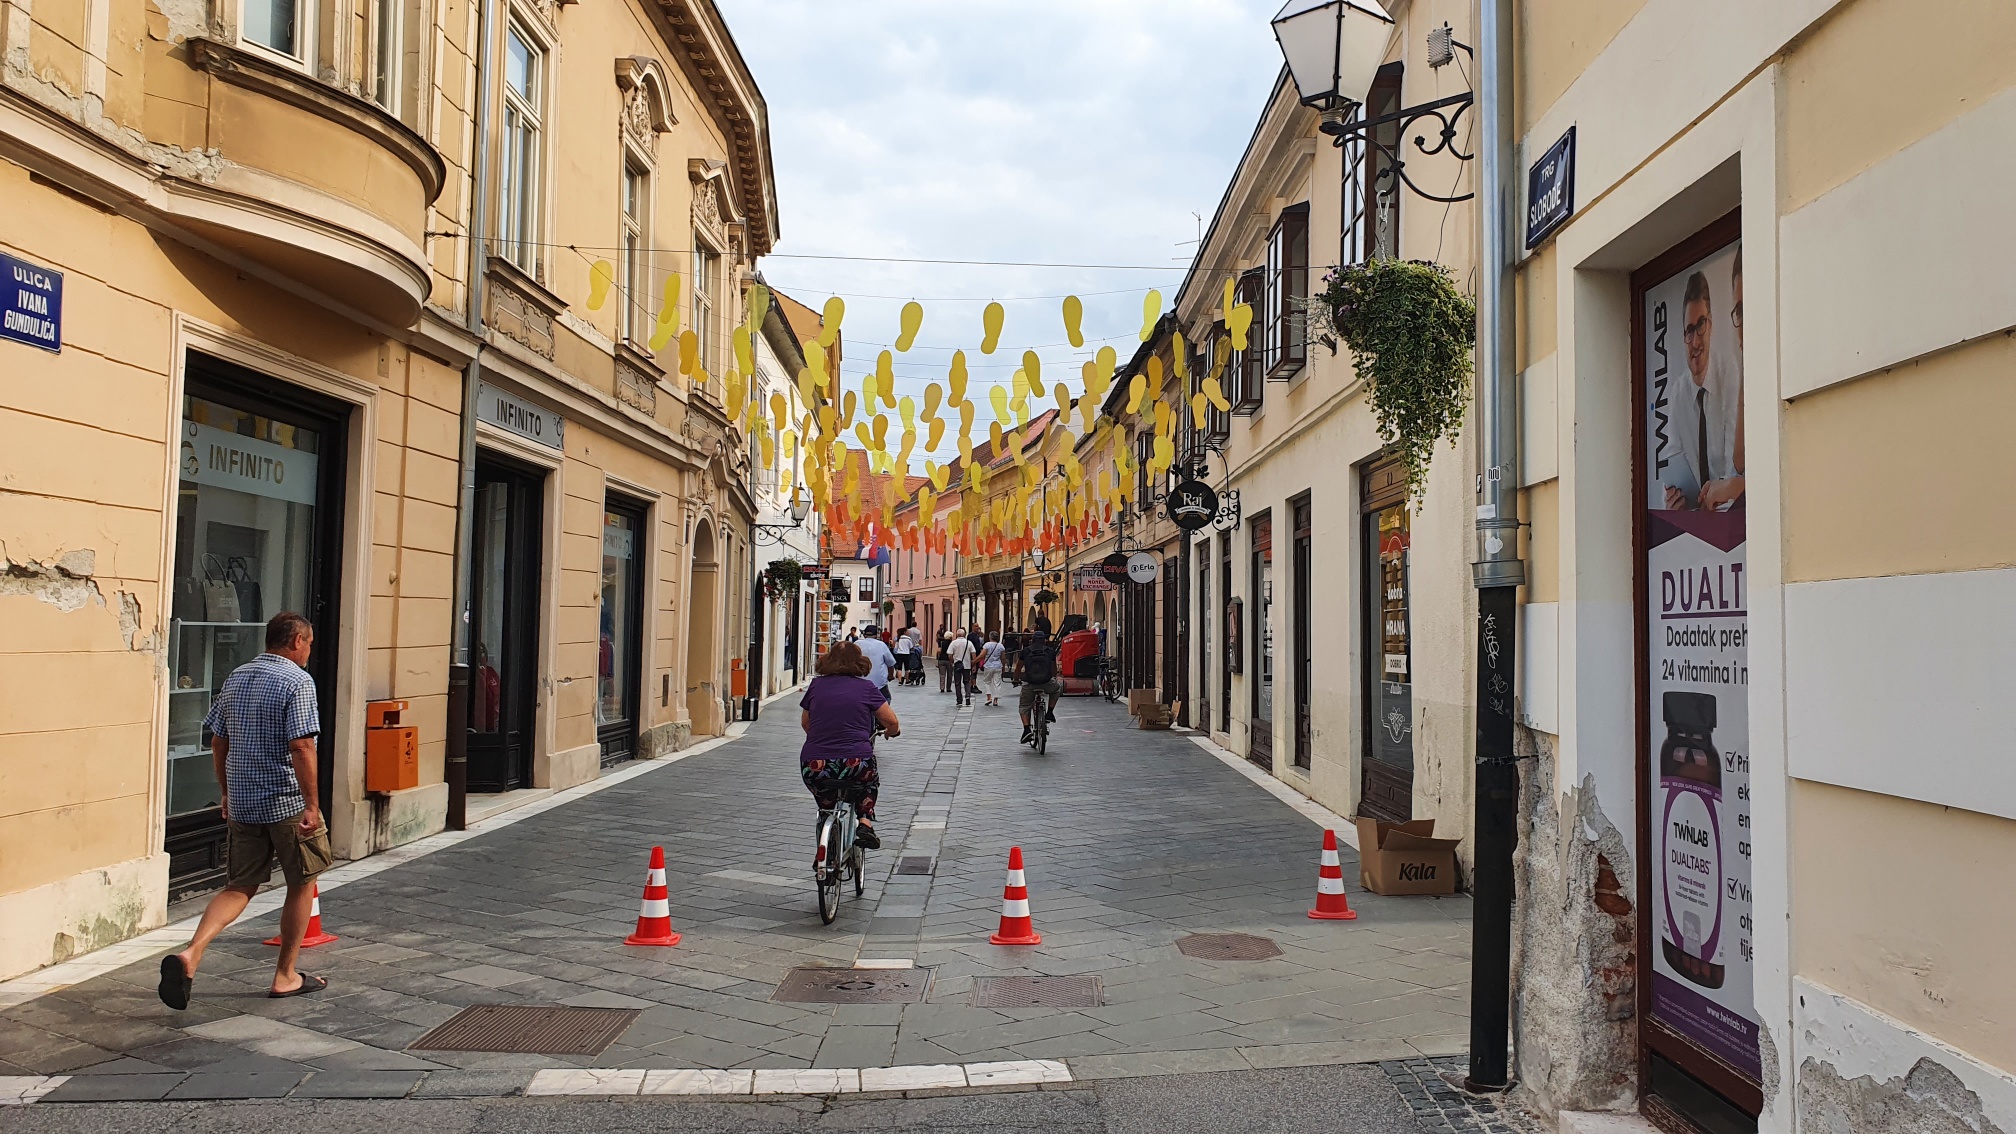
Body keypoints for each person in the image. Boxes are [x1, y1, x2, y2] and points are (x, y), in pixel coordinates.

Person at [158, 612, 332, 1010]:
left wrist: (225, 791)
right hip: (285, 802)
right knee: (302, 883)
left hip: (243, 802)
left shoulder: (237, 677)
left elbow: (218, 740)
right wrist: (312, 804)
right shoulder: (297, 681)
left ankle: (191, 954)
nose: (309, 650)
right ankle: (286, 975)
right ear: (297, 641)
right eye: (309, 643)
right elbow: (302, 746)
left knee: (238, 886)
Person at [799, 641, 899, 850]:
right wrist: (891, 733)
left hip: (814, 764)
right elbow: (891, 722)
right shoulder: (867, 688)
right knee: (868, 783)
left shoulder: (816, 686)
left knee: (825, 800)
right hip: (855, 762)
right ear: (859, 663)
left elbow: (806, 723)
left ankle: (825, 847)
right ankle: (865, 822)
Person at [1015, 628, 1062, 745]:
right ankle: (1050, 712)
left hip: (1030, 684)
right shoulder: (1050, 651)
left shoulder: (1026, 651)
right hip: (1047, 683)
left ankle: (1026, 730)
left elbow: (1018, 668)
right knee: (1057, 689)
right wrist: (1054, 678)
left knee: (1024, 705)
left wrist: (1016, 679)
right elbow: (1053, 669)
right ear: (1044, 641)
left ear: (1032, 640)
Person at [857, 624, 897, 699]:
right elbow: (890, 663)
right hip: (879, 684)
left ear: (864, 635)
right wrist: (890, 676)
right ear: (876, 635)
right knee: (886, 699)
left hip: (860, 681)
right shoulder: (881, 645)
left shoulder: (857, 644)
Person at [944, 627, 976, 707]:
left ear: (957, 635)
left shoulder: (953, 643)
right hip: (967, 666)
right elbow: (973, 654)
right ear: (964, 634)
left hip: (957, 665)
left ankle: (959, 699)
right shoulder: (969, 643)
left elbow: (949, 655)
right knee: (967, 681)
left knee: (957, 683)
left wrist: (952, 662)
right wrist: (973, 664)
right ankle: (968, 696)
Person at [978, 630, 1007, 706]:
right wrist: (1003, 666)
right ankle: (996, 700)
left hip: (988, 666)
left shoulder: (987, 645)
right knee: (997, 683)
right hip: (998, 666)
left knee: (987, 682)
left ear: (990, 637)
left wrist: (974, 661)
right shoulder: (1001, 646)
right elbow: (1003, 658)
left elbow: (982, 655)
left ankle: (989, 697)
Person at [937, 626, 955, 692]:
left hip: (941, 660)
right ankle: (948, 688)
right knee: (950, 674)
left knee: (942, 675)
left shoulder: (941, 643)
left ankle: (942, 688)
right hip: (949, 660)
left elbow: (938, 651)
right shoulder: (952, 644)